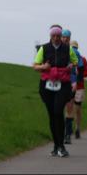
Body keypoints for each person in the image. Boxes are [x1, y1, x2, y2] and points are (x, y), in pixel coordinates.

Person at [33, 25, 79, 158]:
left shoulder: (68, 48)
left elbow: (75, 62)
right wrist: (44, 66)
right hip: (46, 86)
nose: (56, 38)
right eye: (54, 36)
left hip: (63, 84)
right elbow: (35, 66)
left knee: (58, 112)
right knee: (52, 115)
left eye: (58, 36)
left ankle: (61, 146)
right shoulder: (44, 48)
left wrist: (71, 65)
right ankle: (56, 145)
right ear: (50, 36)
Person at [64, 39, 87, 143]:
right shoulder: (65, 58)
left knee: (77, 108)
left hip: (79, 87)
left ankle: (78, 128)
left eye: (74, 47)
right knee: (69, 107)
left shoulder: (82, 59)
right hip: (69, 86)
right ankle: (69, 130)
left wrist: (79, 74)